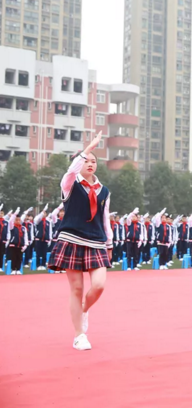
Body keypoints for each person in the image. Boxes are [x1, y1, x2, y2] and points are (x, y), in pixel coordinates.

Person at [47, 132, 113, 351]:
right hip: (72, 239)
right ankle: (79, 335)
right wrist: (87, 149)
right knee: (76, 288)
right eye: (86, 161)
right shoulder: (69, 184)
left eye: (93, 161)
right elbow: (70, 171)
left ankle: (84, 310)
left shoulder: (104, 191)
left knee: (99, 285)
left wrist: (110, 244)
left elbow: (105, 219)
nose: (90, 164)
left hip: (96, 242)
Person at [6, 208, 26, 274]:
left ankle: (18, 269)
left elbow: (25, 237)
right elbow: (10, 221)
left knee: (19, 258)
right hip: (13, 244)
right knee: (13, 257)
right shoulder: (12, 226)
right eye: (16, 220)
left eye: (19, 220)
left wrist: (25, 245)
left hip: (21, 245)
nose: (18, 221)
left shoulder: (23, 228)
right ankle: (13, 269)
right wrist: (15, 214)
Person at [33, 204, 52, 271]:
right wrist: (43, 211)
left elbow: (50, 231)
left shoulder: (48, 222)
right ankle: (38, 265)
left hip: (45, 240)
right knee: (38, 253)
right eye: (43, 213)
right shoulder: (38, 221)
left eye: (45, 213)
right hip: (39, 239)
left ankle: (43, 265)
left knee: (44, 253)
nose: (44, 214)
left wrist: (50, 239)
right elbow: (37, 219)